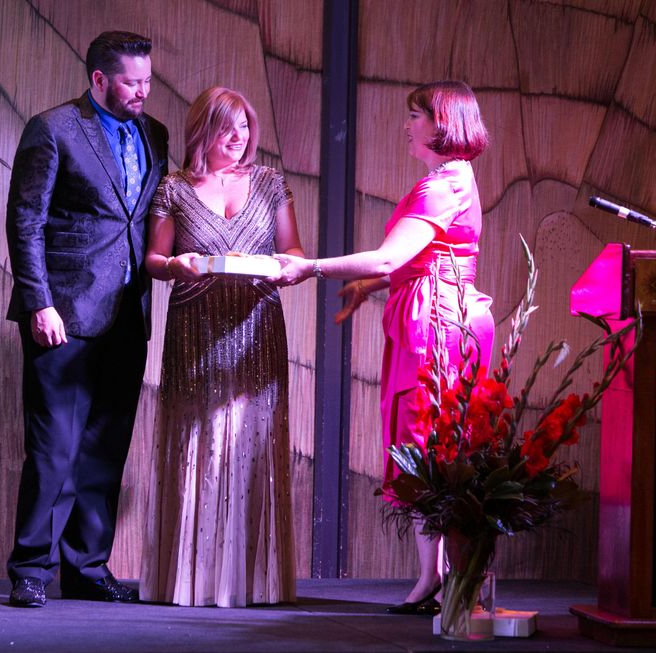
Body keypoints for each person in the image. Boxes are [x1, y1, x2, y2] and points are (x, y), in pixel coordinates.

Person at [271, 80, 494, 616]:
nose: (406, 125)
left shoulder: (443, 186)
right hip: (437, 315)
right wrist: (367, 286)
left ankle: (448, 580)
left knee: (430, 445)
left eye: (415, 115)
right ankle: (435, 578)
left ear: (442, 122)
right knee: (431, 444)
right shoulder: (451, 179)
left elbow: (391, 258)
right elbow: (415, 259)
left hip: (438, 325)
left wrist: (311, 267)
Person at [4, 31, 169, 608]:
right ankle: (31, 567)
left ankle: (87, 565)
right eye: (132, 82)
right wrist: (37, 301)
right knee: (53, 448)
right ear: (99, 79)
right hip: (64, 312)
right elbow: (25, 221)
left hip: (129, 313)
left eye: (148, 81)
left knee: (105, 446)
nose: (143, 92)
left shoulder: (156, 134)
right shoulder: (53, 129)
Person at [138, 87, 303, 608]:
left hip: (257, 326)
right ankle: (191, 580)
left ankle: (251, 583)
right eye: (228, 128)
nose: (240, 139)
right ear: (203, 132)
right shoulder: (175, 188)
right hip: (197, 328)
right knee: (199, 445)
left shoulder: (271, 183)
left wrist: (285, 267)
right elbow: (153, 260)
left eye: (247, 128)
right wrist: (174, 266)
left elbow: (293, 250)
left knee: (251, 444)